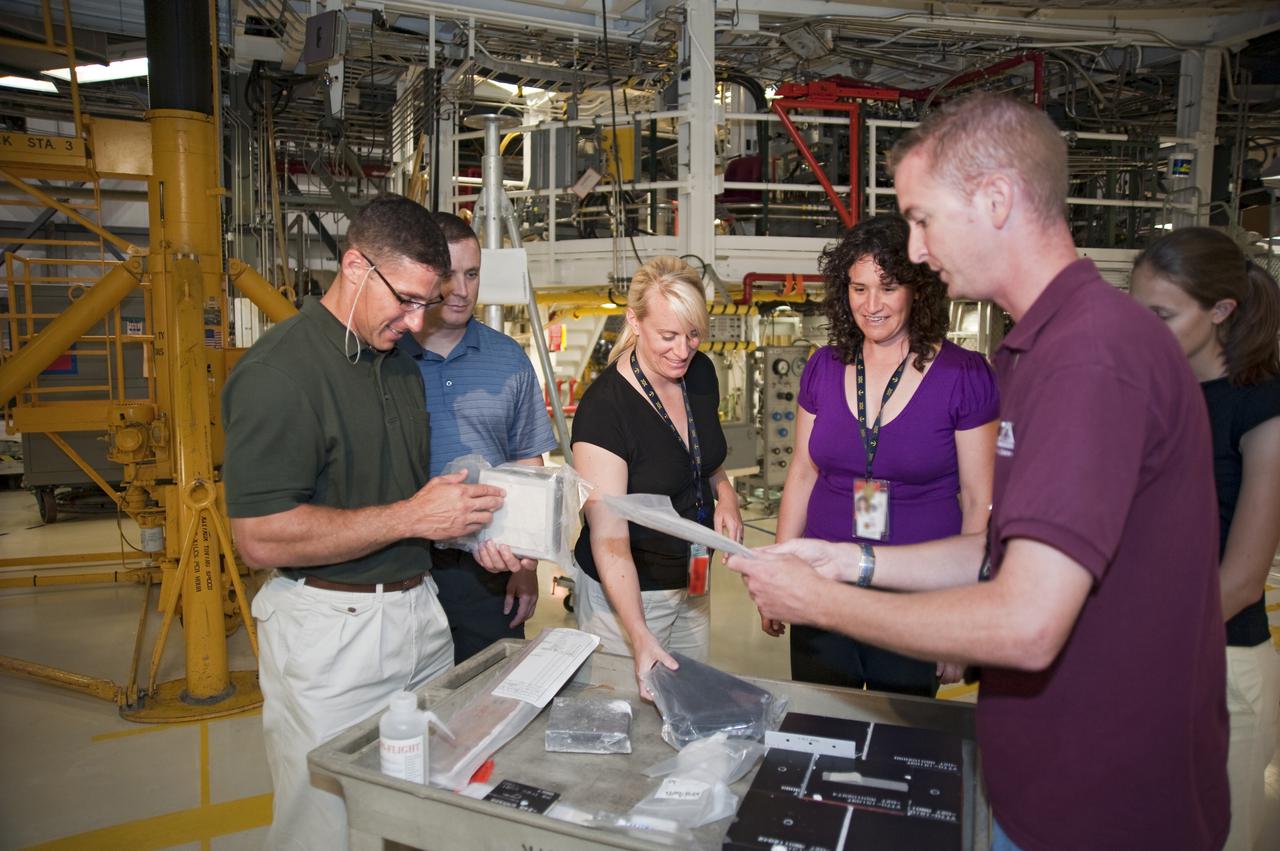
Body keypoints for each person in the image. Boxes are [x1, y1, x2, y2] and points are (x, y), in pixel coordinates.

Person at [728, 92, 1229, 850]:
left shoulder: (1090, 357)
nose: (919, 249)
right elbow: (1000, 549)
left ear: (995, 199)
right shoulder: (1035, 352)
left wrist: (824, 602)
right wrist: (848, 558)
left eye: (924, 219)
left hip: (1104, 807)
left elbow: (1027, 622)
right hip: (1042, 785)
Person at [222, 195, 521, 851]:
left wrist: (459, 527)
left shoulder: (396, 366)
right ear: (355, 266)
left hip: (420, 616)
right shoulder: (280, 375)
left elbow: (391, 505)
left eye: (429, 302)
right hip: (332, 637)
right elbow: (259, 536)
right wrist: (413, 514)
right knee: (323, 827)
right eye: (408, 300)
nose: (417, 323)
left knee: (420, 815)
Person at [768, 214, 998, 695]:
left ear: (918, 290)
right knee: (823, 726)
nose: (871, 305)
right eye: (858, 288)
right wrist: (778, 571)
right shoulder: (823, 366)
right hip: (822, 588)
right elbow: (803, 473)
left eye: (887, 288)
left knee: (903, 739)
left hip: (915, 598)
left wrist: (962, 616)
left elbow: (979, 503)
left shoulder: (964, 376)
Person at [1130, 227, 1280, 851]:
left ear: (1221, 312)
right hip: (1143, 666)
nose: (1141, 329)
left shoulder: (1261, 408)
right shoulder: (1148, 399)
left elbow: (1242, 582)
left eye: (1160, 314)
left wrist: (1134, 651)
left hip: (1219, 669)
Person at [571, 256, 744, 695]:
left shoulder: (700, 372)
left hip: (692, 581)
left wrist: (725, 494)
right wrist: (639, 633)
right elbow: (607, 535)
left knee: (687, 701)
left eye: (692, 335)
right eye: (668, 336)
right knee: (627, 712)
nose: (683, 350)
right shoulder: (605, 410)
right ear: (634, 321)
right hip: (629, 596)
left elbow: (702, 455)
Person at [400, 211, 558, 663]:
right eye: (449, 275)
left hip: (487, 567)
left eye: (472, 274)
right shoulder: (390, 356)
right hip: (405, 566)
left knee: (489, 700)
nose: (463, 290)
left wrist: (525, 568)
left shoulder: (508, 359)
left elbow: (531, 467)